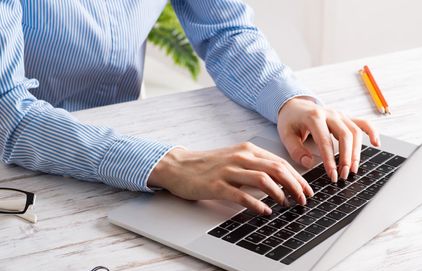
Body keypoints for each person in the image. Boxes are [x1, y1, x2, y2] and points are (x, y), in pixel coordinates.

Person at [0, 0, 380, 215]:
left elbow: (224, 31)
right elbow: (9, 113)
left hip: (125, 158)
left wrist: (287, 99)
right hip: (20, 185)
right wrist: (168, 164)